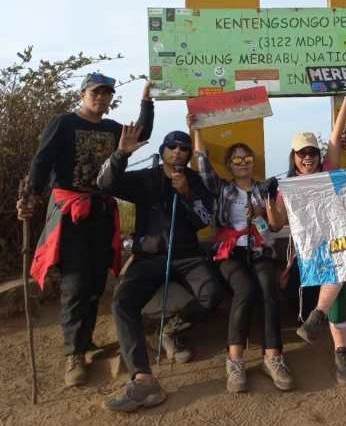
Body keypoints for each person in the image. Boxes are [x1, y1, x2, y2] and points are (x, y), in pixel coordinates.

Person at [16, 74, 154, 387]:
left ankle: (86, 340)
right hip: (71, 214)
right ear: (83, 94)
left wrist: (147, 100)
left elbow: (141, 133)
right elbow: (42, 161)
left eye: (107, 94)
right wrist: (30, 197)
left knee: (94, 279)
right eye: (96, 93)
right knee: (75, 282)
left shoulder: (111, 129)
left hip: (102, 212)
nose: (102, 98)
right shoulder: (62, 123)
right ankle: (73, 353)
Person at [98, 128, 224, 412]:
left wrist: (188, 193)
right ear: (164, 150)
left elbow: (205, 219)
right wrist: (121, 154)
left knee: (212, 294)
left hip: (187, 256)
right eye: (172, 146)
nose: (178, 151)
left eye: (183, 148)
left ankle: (171, 327)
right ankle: (142, 377)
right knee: (122, 303)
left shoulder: (194, 181)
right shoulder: (147, 178)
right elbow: (106, 185)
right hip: (149, 257)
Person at [188, 115, 293, 394]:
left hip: (260, 249)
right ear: (229, 164)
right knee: (244, 290)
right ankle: (235, 361)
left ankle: (273, 357)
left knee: (269, 290)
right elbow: (202, 164)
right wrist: (196, 129)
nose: (242, 161)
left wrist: (261, 211)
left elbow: (274, 225)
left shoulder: (265, 189)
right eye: (236, 158)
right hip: (229, 252)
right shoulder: (221, 188)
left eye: (247, 157)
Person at [277, 87, 346, 385]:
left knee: (339, 261)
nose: (308, 158)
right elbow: (277, 223)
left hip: (334, 244)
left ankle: (333, 338)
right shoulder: (286, 186)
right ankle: (338, 344)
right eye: (303, 154)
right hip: (307, 251)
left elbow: (335, 138)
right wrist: (266, 200)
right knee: (337, 265)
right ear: (294, 157)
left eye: (313, 152)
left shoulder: (328, 171)